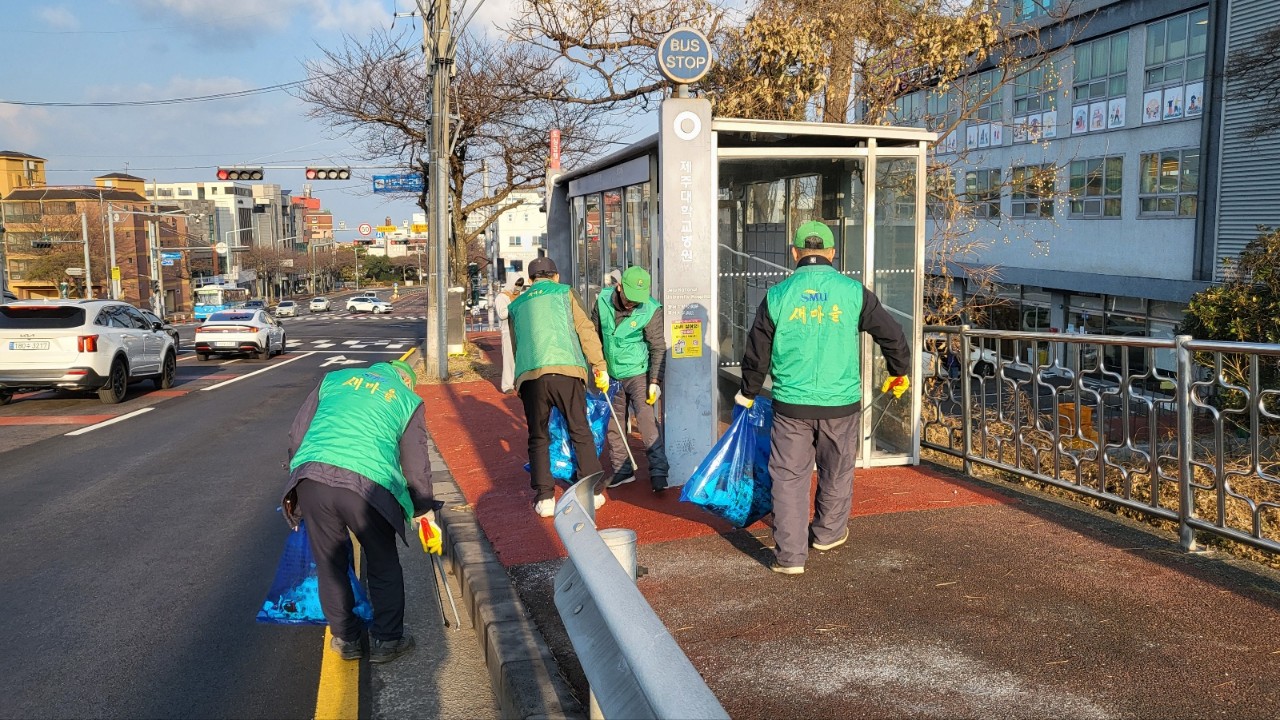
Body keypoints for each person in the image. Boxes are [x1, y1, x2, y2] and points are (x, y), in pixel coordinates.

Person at [737, 221, 912, 575]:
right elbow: (892, 334)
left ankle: (789, 557)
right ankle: (828, 533)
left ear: (795, 253)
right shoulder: (852, 292)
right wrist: (899, 371)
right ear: (832, 253)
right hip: (841, 403)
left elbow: (757, 352)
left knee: (788, 477)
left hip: (791, 405)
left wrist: (748, 393)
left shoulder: (778, 295)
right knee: (837, 467)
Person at [281, 359, 436, 663]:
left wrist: (297, 488)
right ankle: (387, 640)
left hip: (313, 478)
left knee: (330, 564)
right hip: (368, 486)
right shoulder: (407, 398)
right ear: (406, 381)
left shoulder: (334, 379)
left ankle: (347, 638)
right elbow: (416, 463)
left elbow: (297, 436)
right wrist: (422, 507)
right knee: (382, 562)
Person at [507, 256, 611, 517]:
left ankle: (544, 497)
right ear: (556, 276)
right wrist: (599, 364)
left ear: (531, 280)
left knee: (538, 435)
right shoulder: (566, 292)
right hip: (567, 370)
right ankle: (593, 491)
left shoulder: (517, 304)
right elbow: (585, 330)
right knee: (579, 429)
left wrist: (518, 381)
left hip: (531, 376)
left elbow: (515, 344)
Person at [592, 265, 669, 492]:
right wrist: (599, 367)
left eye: (638, 300)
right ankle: (622, 470)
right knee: (614, 424)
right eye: (629, 298)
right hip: (611, 372)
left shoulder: (651, 309)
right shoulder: (602, 301)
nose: (633, 304)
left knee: (645, 419)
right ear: (619, 287)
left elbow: (658, 347)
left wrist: (655, 382)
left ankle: (659, 471)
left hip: (639, 372)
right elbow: (593, 336)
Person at [494, 276, 525, 393]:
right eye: (516, 284)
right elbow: (502, 314)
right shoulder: (502, 297)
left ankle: (519, 382)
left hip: (519, 330)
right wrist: (515, 306)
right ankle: (507, 385)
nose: (518, 288)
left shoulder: (520, 297)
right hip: (507, 331)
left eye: (520, 285)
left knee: (519, 358)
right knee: (509, 358)